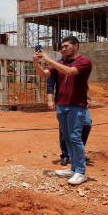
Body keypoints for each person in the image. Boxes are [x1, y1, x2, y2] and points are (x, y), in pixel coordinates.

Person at [34, 36, 92, 185]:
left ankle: (81, 172)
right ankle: (73, 169)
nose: (63, 49)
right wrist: (36, 62)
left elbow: (70, 72)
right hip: (62, 105)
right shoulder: (60, 63)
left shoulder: (84, 62)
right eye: (62, 47)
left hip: (76, 105)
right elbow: (44, 74)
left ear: (76, 46)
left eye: (66, 46)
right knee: (67, 138)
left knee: (75, 138)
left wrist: (48, 60)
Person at [47, 59, 92, 166]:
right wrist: (50, 99)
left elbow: (84, 83)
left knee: (87, 124)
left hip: (79, 100)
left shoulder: (79, 63)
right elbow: (50, 84)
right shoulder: (58, 64)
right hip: (64, 101)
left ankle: (77, 152)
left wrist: (88, 97)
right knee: (64, 129)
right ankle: (65, 154)